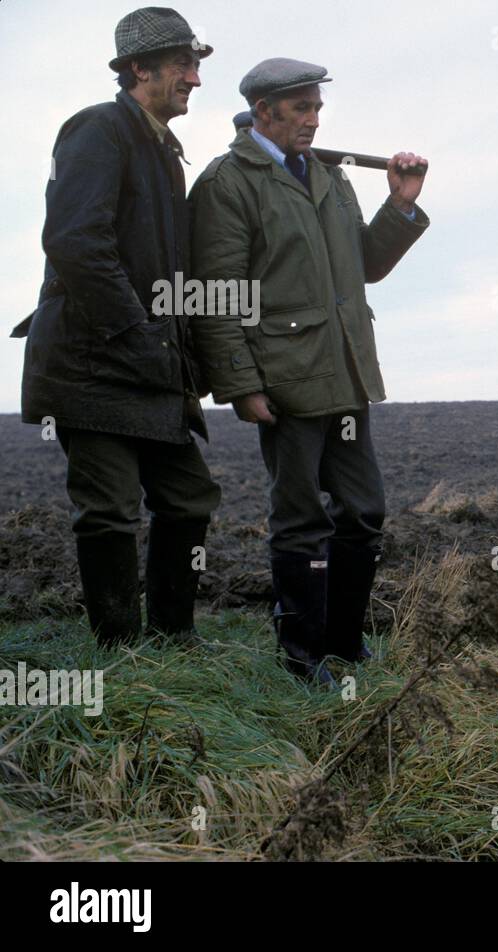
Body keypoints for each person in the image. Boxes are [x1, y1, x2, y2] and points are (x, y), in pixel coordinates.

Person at [188, 58, 428, 686]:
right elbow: (217, 293)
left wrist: (399, 208)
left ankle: (346, 643)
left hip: (345, 374)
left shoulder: (329, 178)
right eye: (301, 108)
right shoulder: (229, 182)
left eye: (318, 108)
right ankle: (303, 656)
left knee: (363, 510)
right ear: (264, 110)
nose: (314, 120)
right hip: (286, 380)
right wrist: (240, 383)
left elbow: (364, 266)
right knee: (300, 518)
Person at [11, 7, 220, 646]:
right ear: (139, 68)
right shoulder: (98, 130)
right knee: (108, 511)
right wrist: (139, 335)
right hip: (92, 365)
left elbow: (167, 272)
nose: (195, 78)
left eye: (195, 64)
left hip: (151, 365)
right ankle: (121, 655)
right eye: (183, 64)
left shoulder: (165, 153)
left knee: (187, 498)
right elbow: (75, 244)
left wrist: (185, 356)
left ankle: (173, 639)